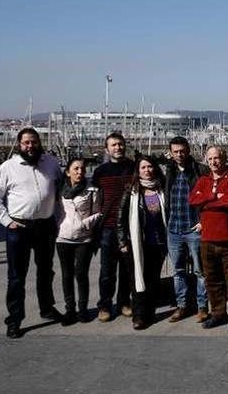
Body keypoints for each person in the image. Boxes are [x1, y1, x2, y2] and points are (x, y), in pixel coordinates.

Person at [0, 127, 63, 338]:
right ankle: (15, 319)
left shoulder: (51, 163)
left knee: (46, 271)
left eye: (34, 142)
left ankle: (47, 309)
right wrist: (7, 221)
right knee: (16, 276)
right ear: (19, 145)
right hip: (19, 228)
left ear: (40, 143)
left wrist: (58, 218)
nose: (30, 146)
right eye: (26, 143)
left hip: (45, 226)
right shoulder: (8, 167)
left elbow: (60, 190)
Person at [189, 146, 228, 330]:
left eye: (217, 158)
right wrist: (213, 195)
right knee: (212, 279)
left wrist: (206, 202)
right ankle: (218, 313)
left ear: (224, 158)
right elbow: (193, 200)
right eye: (210, 158)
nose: (214, 162)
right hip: (207, 239)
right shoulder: (203, 179)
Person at [117, 157, 168, 330]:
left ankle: (150, 312)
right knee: (137, 279)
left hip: (158, 242)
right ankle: (139, 316)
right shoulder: (131, 191)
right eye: (143, 167)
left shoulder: (161, 189)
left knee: (153, 279)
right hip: (136, 243)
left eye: (150, 166)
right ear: (138, 171)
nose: (147, 170)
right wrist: (122, 241)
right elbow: (121, 218)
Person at [164, 136, 210, 323]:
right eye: (175, 152)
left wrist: (203, 221)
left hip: (193, 228)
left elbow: (209, 197)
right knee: (178, 270)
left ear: (188, 150)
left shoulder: (200, 170)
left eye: (182, 151)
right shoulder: (168, 172)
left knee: (200, 270)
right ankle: (181, 305)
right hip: (174, 229)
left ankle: (202, 306)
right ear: (171, 153)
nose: (179, 154)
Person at [92, 133, 134, 322]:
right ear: (107, 149)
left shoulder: (133, 168)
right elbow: (93, 199)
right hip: (107, 228)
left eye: (121, 144)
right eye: (114, 145)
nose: (118, 147)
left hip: (129, 226)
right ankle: (105, 305)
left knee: (127, 268)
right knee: (107, 271)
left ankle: (124, 302)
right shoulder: (100, 171)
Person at [55, 158, 102, 325]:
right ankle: (70, 310)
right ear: (68, 171)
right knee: (66, 275)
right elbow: (53, 210)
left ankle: (83, 310)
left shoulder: (92, 189)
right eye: (75, 169)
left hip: (84, 238)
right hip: (63, 237)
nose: (79, 172)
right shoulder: (59, 189)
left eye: (82, 169)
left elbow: (98, 212)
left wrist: (84, 225)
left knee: (81, 274)